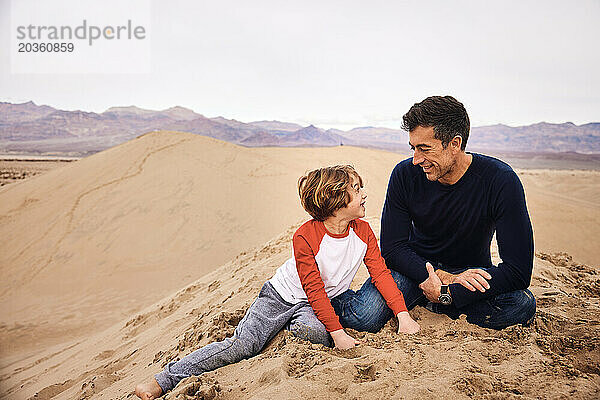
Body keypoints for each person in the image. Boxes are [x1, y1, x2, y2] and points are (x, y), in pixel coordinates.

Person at [135, 165, 420, 400]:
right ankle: (164, 379)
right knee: (245, 345)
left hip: (323, 302)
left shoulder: (363, 231)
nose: (363, 194)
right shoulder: (305, 236)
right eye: (356, 189)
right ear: (334, 201)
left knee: (317, 331)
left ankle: (294, 327)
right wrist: (339, 334)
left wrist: (403, 316)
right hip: (280, 297)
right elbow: (313, 288)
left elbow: (380, 273)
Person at [333, 96, 536, 333]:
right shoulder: (404, 175)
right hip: (413, 271)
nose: (417, 160)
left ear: (455, 144)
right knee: (363, 318)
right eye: (414, 149)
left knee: (521, 304)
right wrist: (440, 278)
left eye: (425, 149)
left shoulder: (500, 180)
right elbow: (393, 248)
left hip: (467, 276)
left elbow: (518, 271)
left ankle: (438, 304)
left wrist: (449, 292)